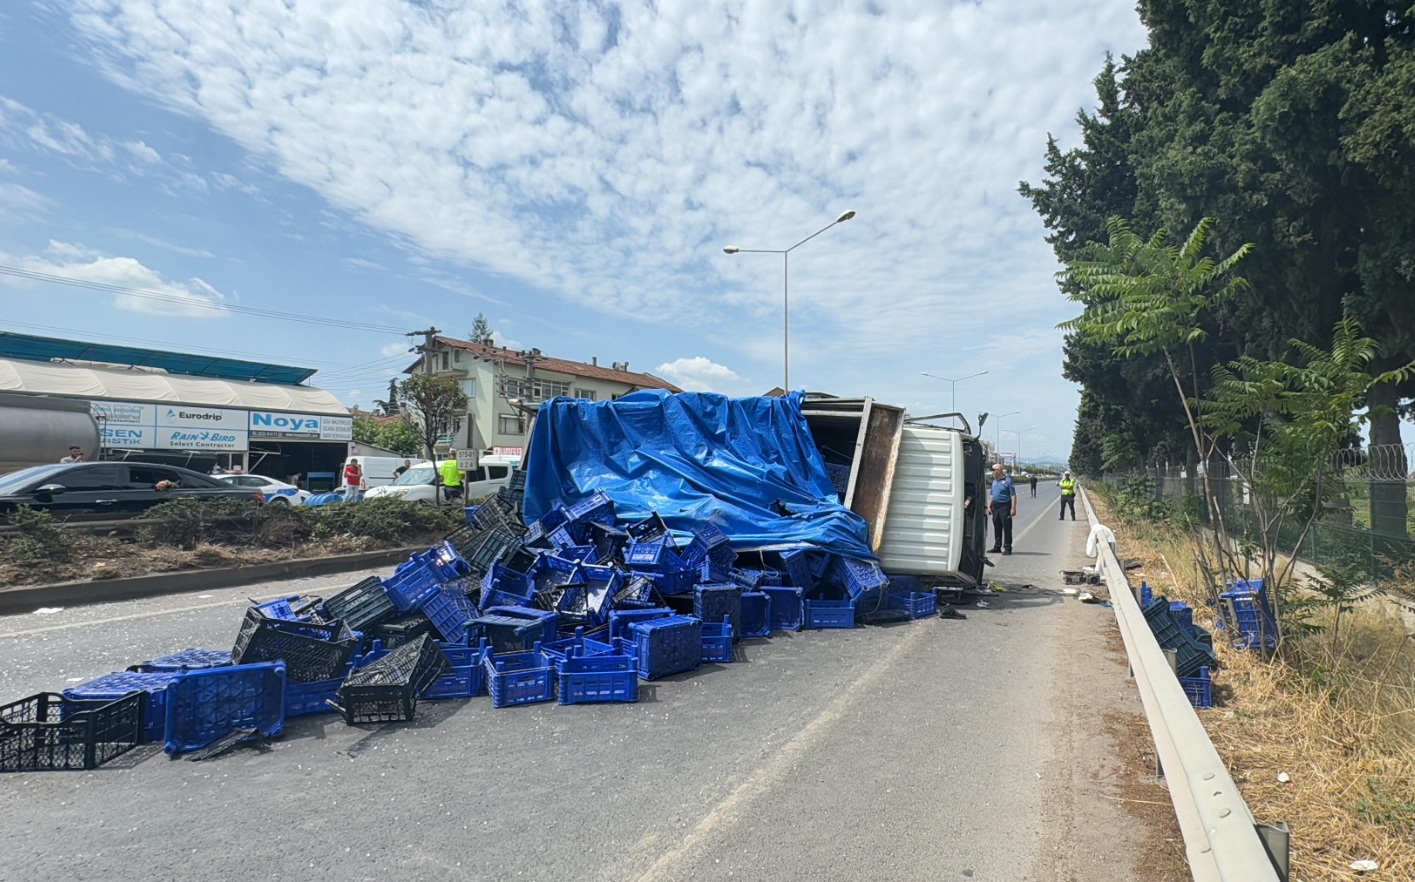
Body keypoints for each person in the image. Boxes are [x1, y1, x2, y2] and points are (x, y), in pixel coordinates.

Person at [987, 462, 1018, 555]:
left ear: (999, 471)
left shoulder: (1008, 481)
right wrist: (989, 505)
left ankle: (1007, 548)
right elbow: (992, 495)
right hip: (995, 507)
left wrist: (1013, 508)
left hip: (1004, 506)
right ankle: (997, 546)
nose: (992, 472)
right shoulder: (994, 481)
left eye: (994, 470)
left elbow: (1013, 495)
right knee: (997, 527)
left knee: (1007, 527)